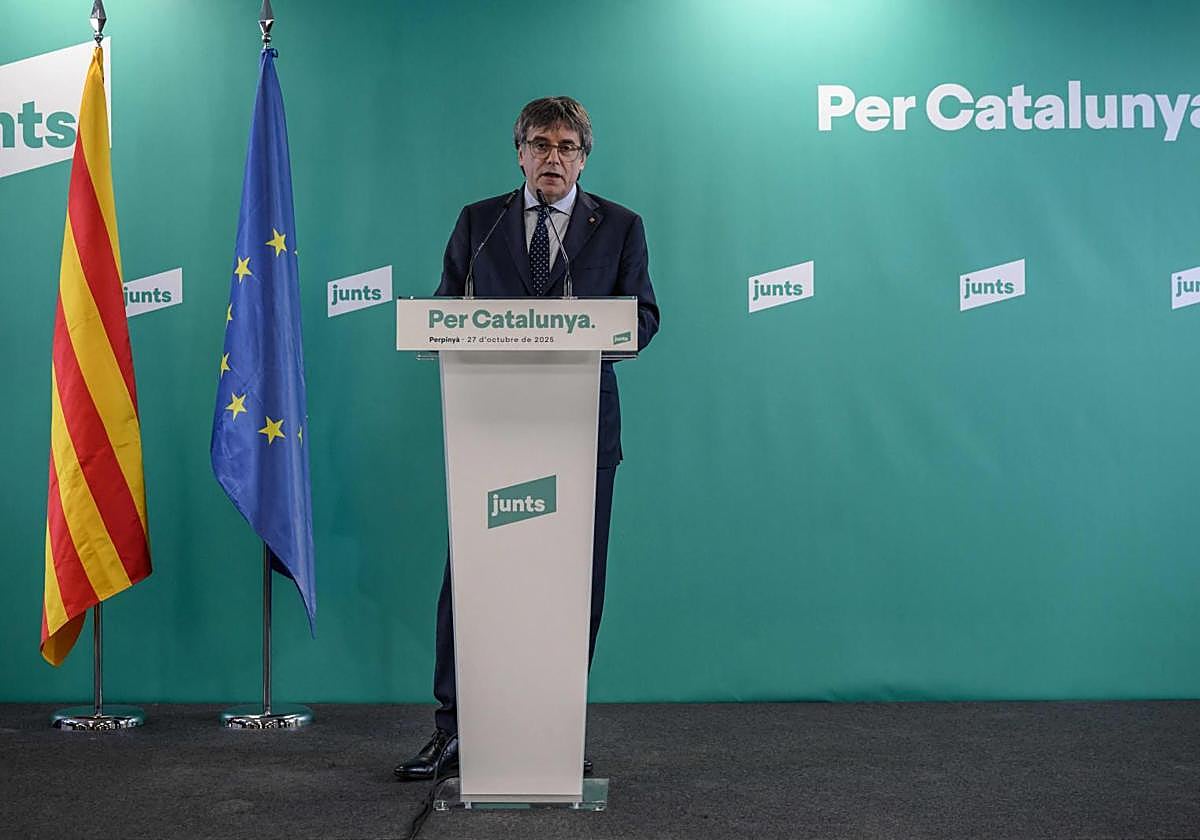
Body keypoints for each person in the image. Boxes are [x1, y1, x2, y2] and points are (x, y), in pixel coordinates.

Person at [393, 96, 660, 780]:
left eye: (567, 146)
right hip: (492, 431)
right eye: (540, 144)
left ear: (583, 156)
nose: (553, 157)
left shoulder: (620, 226)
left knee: (575, 585)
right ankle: (454, 730)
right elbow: (444, 308)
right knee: (471, 583)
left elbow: (643, 317)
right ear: (518, 152)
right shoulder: (480, 223)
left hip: (581, 431)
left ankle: (556, 728)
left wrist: (590, 333)